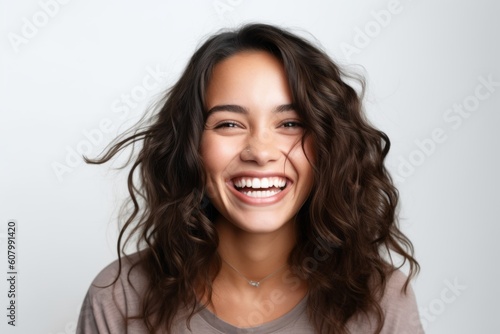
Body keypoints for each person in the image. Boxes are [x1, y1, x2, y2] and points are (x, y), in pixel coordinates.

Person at [76, 23, 424, 333]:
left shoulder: (381, 301)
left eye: (290, 124)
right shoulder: (121, 298)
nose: (260, 151)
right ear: (191, 146)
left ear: (329, 145)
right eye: (229, 124)